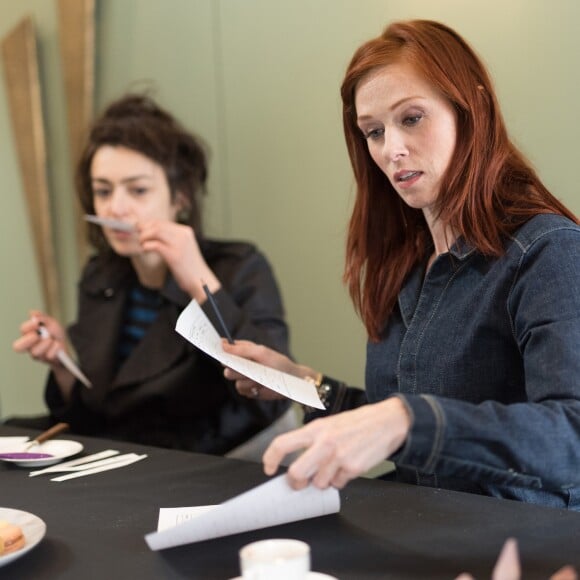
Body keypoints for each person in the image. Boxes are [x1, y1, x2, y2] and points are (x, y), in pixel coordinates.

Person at [221, 19, 580, 509]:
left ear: (470, 109)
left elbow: (570, 437)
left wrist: (408, 420)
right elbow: (400, 432)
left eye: (411, 118)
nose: (391, 150)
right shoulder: (409, 263)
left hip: (511, 546)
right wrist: (303, 384)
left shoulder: (548, 251)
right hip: (418, 526)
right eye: (373, 131)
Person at [11, 94, 294, 456]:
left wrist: (200, 282)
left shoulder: (240, 267)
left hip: (220, 464)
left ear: (180, 197)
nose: (116, 207)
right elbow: (94, 419)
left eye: (138, 190)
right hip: (131, 463)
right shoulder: (102, 274)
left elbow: (274, 395)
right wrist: (62, 363)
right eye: (103, 191)